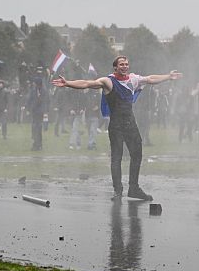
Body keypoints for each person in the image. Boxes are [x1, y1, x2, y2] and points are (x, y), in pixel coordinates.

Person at [52, 56, 181, 200]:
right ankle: (118, 191)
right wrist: (67, 83)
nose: (125, 66)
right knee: (116, 157)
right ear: (115, 67)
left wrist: (168, 77)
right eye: (121, 64)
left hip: (130, 123)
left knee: (137, 154)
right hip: (116, 125)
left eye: (126, 64)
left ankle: (134, 188)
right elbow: (87, 83)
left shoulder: (133, 79)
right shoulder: (108, 81)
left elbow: (150, 79)